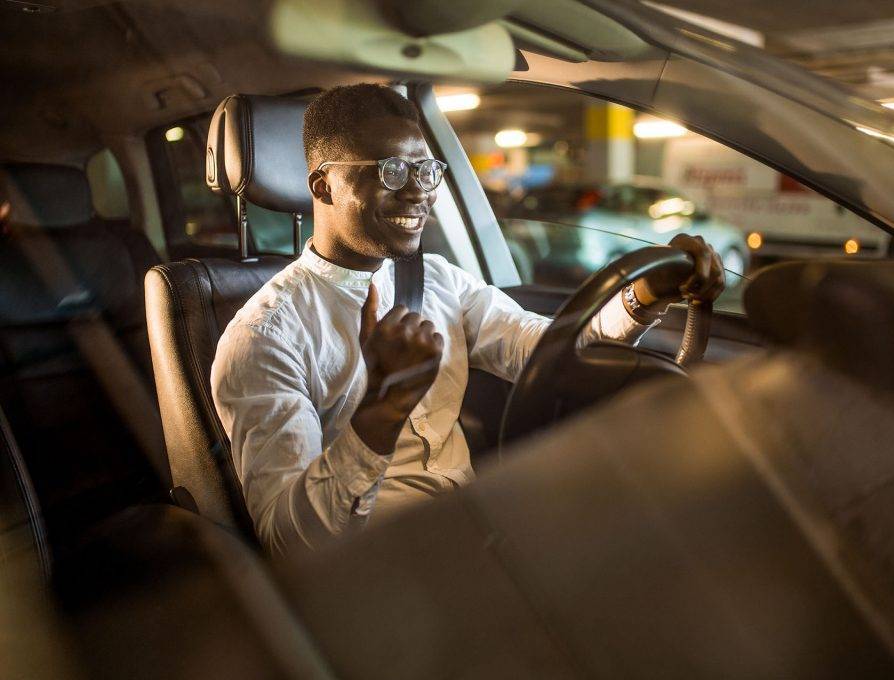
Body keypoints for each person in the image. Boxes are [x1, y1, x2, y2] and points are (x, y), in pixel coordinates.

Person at [211, 84, 725, 554]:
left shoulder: (436, 278)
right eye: (392, 171)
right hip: (377, 568)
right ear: (324, 188)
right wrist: (381, 412)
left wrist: (644, 294)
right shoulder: (265, 338)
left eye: (427, 170)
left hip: (477, 527)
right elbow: (291, 544)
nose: (419, 191)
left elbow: (548, 349)